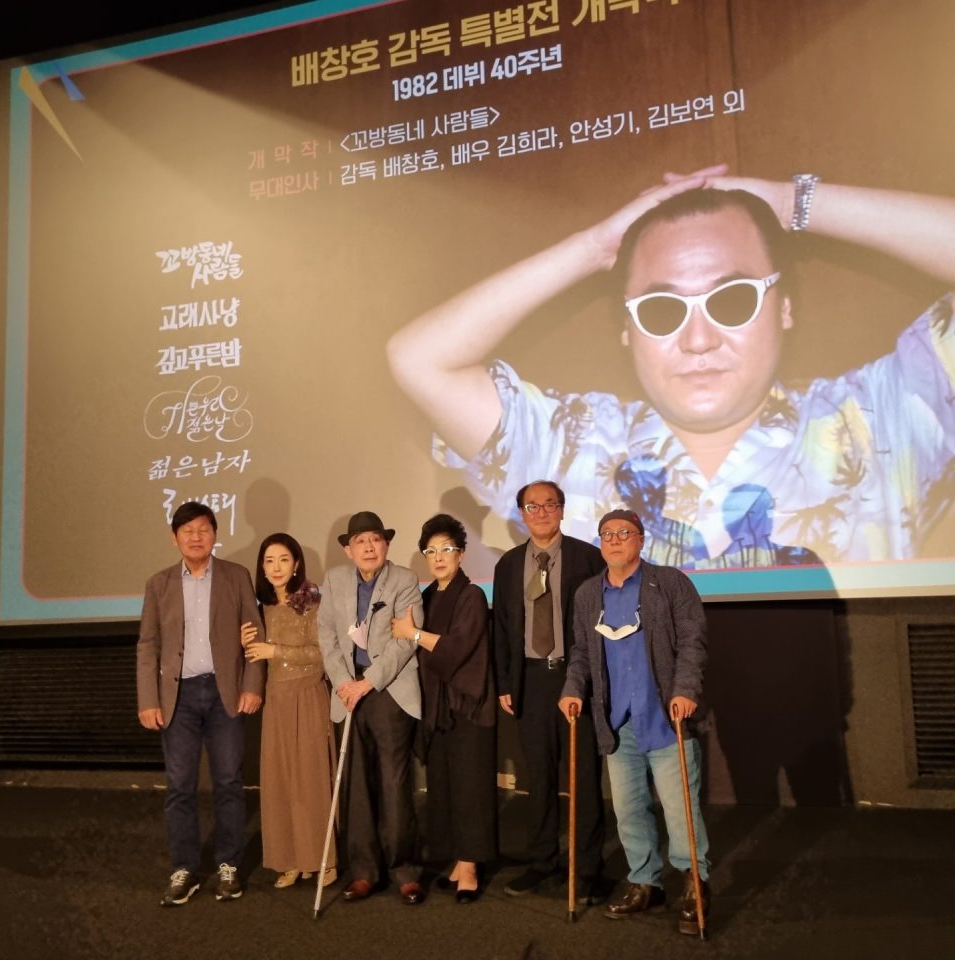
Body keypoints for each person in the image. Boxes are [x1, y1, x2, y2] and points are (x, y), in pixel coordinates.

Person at [387, 168, 955, 569]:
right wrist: (597, 247)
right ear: (627, 330)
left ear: (784, 308)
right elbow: (420, 359)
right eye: (662, 310)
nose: (699, 339)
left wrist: (790, 204)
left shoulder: (881, 419)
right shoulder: (568, 445)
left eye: (733, 299)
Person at [558, 508, 710, 935]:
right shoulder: (588, 594)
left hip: (664, 716)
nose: (614, 540)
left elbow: (693, 641)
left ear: (641, 540)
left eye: (623, 533)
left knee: (680, 811)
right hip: (616, 722)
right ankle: (645, 882)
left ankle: (694, 883)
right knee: (627, 810)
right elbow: (581, 652)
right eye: (606, 534)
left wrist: (686, 690)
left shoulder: (670, 583)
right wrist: (572, 688)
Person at [137, 502, 265, 906]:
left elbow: (255, 634)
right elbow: (148, 645)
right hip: (178, 697)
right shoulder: (158, 584)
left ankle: (228, 864)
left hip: (226, 691)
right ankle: (184, 868)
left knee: (228, 781)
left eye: (203, 529)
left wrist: (252, 685)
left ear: (214, 534)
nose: (196, 537)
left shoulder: (236, 576)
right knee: (179, 786)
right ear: (175, 537)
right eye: (187, 530)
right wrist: (148, 698)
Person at [491, 480, 607, 901]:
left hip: (576, 678)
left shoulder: (587, 557)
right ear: (522, 513)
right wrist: (506, 682)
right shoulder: (508, 565)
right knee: (537, 777)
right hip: (530, 679)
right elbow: (502, 627)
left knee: (584, 778)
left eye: (549, 504)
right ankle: (542, 861)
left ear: (561, 509)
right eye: (532, 506)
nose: (541, 512)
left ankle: (588, 868)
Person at [316, 510, 426, 905]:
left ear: (386, 545)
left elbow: (406, 639)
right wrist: (344, 683)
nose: (368, 547)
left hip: (388, 690)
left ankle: (405, 871)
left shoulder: (405, 580)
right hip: (348, 691)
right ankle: (364, 872)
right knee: (356, 785)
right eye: (360, 541)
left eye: (375, 539)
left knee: (395, 785)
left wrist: (368, 682)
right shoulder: (335, 580)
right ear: (348, 549)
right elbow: (327, 635)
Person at [391, 514, 497, 903]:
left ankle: (470, 865)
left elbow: (456, 648)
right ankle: (456, 857)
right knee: (445, 786)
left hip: (467, 705)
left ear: (461, 554)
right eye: (431, 551)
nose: (438, 557)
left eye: (446, 549)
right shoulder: (427, 597)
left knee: (470, 787)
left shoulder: (472, 595)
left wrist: (413, 634)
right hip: (435, 707)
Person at [240, 533, 336, 889]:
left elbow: (322, 655)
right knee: (281, 783)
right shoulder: (259, 609)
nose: (276, 567)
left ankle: (323, 859)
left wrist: (275, 650)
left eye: (283, 559)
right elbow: (252, 657)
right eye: (269, 561)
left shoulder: (312, 602)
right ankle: (291, 859)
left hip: (309, 695)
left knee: (312, 781)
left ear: (296, 564)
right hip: (277, 701)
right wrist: (244, 644)